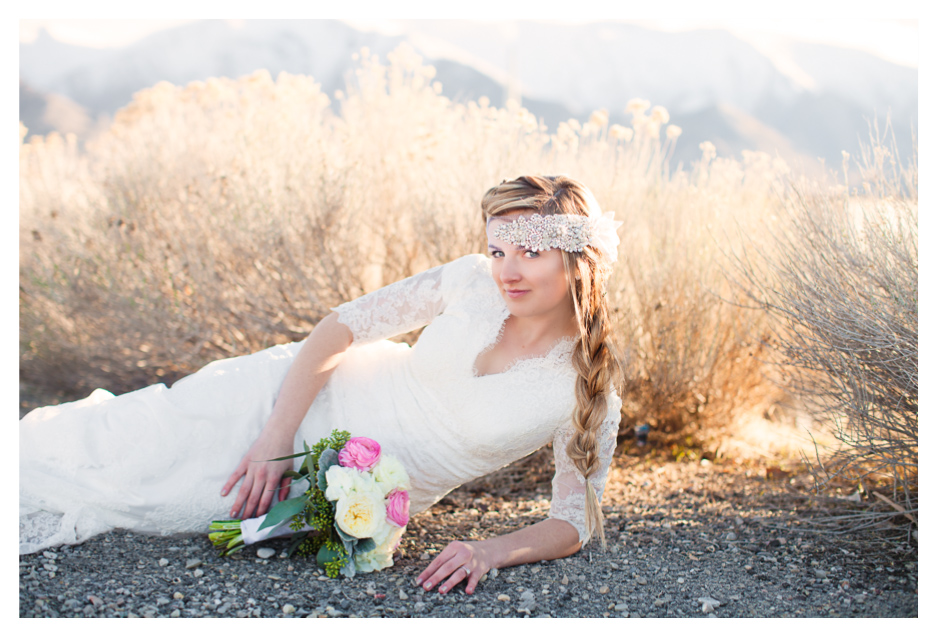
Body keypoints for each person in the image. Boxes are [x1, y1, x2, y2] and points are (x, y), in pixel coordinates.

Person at [19, 175, 623, 597]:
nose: (508, 270)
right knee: (135, 437)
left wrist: (488, 550)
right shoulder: (470, 281)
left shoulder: (587, 388)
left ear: (579, 258)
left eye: (532, 251)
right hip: (296, 396)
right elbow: (340, 328)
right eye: (498, 249)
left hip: (357, 488)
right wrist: (274, 440)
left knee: (177, 505)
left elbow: (574, 521)